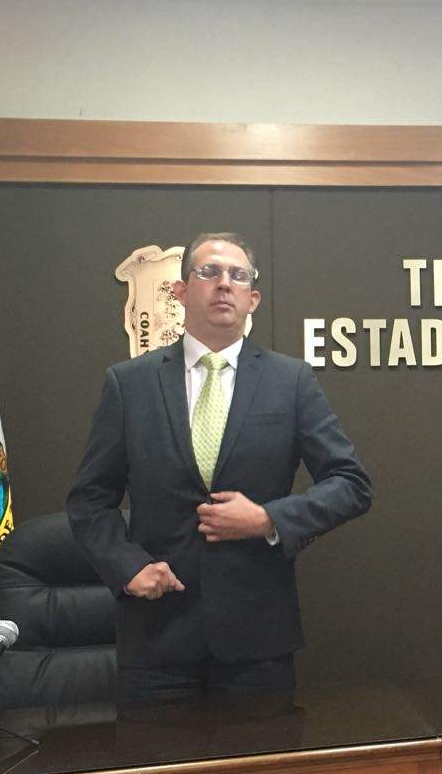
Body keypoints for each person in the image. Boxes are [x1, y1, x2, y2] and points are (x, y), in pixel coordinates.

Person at [68, 232, 372, 701]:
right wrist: (127, 567)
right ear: (181, 291)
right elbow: (90, 499)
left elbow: (350, 483)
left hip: (257, 641)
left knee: (262, 754)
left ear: (253, 299)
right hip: (156, 639)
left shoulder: (290, 381)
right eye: (209, 272)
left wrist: (269, 519)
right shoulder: (130, 384)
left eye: (238, 275)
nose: (224, 283)